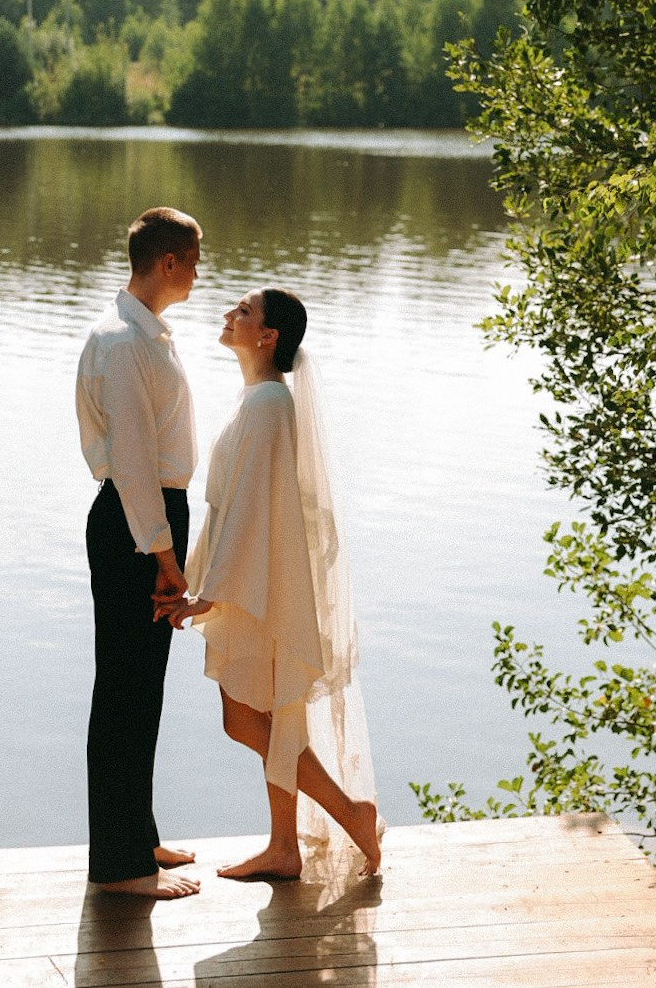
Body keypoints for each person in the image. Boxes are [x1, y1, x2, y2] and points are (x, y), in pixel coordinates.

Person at [166, 287, 382, 881]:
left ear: (268, 336)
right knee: (267, 714)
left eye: (243, 311)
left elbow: (250, 508)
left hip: (257, 583)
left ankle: (348, 813)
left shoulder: (266, 404)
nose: (228, 315)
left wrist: (208, 593)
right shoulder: (259, 398)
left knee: (247, 717)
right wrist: (198, 579)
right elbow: (235, 505)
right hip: (254, 576)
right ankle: (285, 845)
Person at [75, 206, 203, 899]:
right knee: (124, 689)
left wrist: (165, 543)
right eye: (194, 261)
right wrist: (165, 556)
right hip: (136, 522)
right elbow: (131, 461)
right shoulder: (124, 341)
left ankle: (138, 837)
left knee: (141, 688)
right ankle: (120, 867)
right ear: (168, 262)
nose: (198, 274)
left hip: (145, 519)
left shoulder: (143, 332)